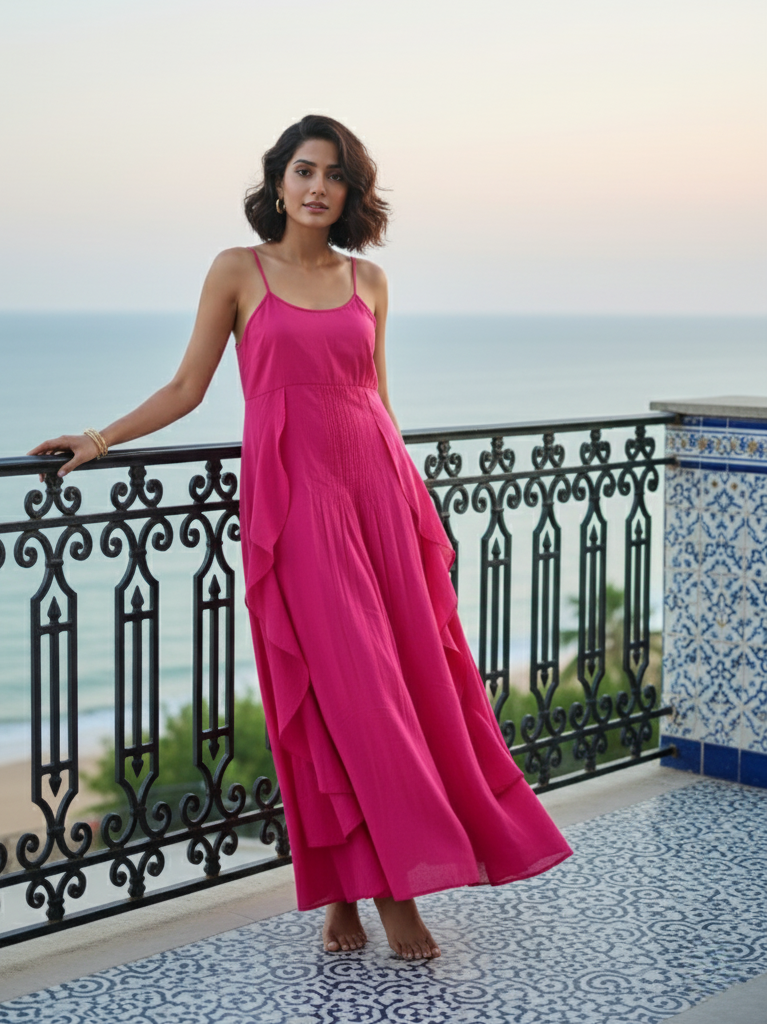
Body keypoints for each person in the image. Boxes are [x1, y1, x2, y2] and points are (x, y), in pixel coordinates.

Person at [30, 115, 572, 961]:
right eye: (303, 170)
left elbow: (379, 402)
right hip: (300, 509)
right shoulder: (238, 271)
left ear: (352, 192)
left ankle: (342, 898)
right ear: (277, 180)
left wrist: (415, 511)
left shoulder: (371, 281)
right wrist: (99, 441)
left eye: (335, 175)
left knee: (411, 688)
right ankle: (396, 902)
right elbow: (188, 386)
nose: (318, 186)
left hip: (380, 497)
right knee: (346, 697)